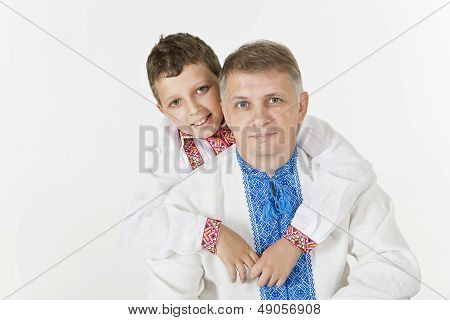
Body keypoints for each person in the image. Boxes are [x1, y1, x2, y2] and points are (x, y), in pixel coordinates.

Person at [145, 40, 421, 299]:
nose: (260, 119)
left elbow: (396, 267)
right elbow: (170, 304)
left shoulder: (342, 179)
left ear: (301, 107)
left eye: (274, 100)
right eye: (243, 104)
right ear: (225, 112)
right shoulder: (186, 198)